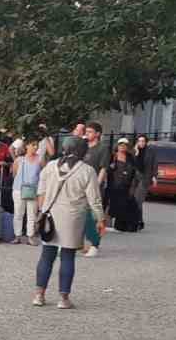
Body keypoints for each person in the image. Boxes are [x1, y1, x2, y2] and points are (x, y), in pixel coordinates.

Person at [34, 138, 105, 309]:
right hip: (73, 217)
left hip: (50, 215)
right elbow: (94, 199)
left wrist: (43, 211)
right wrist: (100, 219)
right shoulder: (87, 171)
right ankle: (63, 298)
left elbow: (40, 192)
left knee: (47, 255)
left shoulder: (50, 166)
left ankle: (39, 295)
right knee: (67, 256)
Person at [80, 122, 109, 256]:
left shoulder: (102, 148)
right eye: (87, 131)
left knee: (93, 217)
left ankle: (94, 245)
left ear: (97, 134)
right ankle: (78, 244)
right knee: (79, 215)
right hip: (80, 187)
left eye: (90, 131)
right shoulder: (83, 146)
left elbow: (103, 169)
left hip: (94, 187)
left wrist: (96, 185)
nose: (87, 133)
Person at [104, 139, 143, 232]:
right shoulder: (112, 156)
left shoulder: (130, 157)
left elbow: (134, 171)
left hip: (126, 185)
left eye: (125, 145)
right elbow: (105, 169)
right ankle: (108, 224)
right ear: (117, 146)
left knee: (127, 205)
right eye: (121, 145)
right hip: (113, 185)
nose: (123, 147)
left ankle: (123, 225)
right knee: (111, 204)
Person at [12, 138, 44, 244]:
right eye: (33, 145)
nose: (35, 147)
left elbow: (43, 175)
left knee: (32, 214)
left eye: (36, 145)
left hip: (34, 189)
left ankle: (30, 236)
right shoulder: (19, 160)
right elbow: (15, 174)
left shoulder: (40, 160)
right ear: (27, 146)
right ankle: (17, 235)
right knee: (18, 213)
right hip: (18, 189)